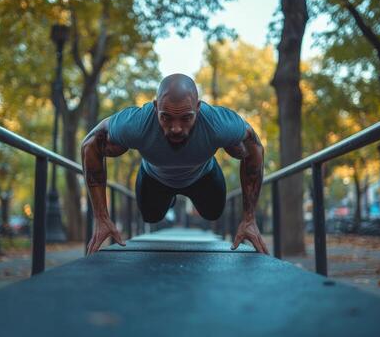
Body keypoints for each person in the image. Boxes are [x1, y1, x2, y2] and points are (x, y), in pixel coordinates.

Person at [81, 73, 268, 254]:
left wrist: (249, 218)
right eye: (166, 117)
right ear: (155, 107)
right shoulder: (137, 124)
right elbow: (90, 144)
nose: (176, 128)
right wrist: (101, 217)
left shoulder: (218, 123)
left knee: (213, 213)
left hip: (203, 175)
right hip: (155, 178)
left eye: (186, 118)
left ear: (198, 108)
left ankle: (179, 195)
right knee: (151, 216)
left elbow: (255, 147)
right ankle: (168, 199)